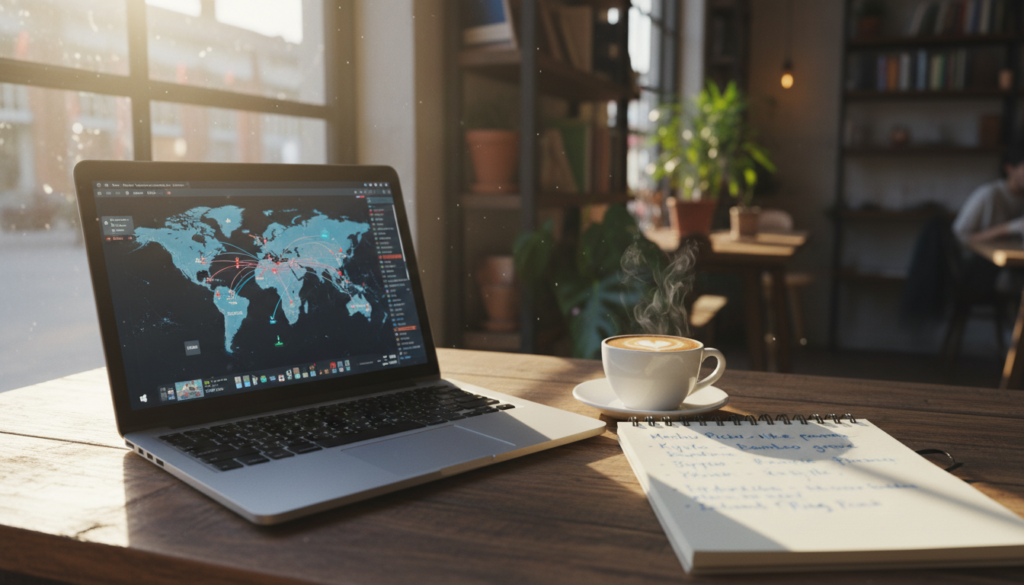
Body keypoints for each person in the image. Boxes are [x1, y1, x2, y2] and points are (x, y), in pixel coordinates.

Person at [953, 148, 1024, 244]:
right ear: (1009, 169)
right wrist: (1007, 228)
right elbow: (959, 235)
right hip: (979, 256)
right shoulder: (988, 193)